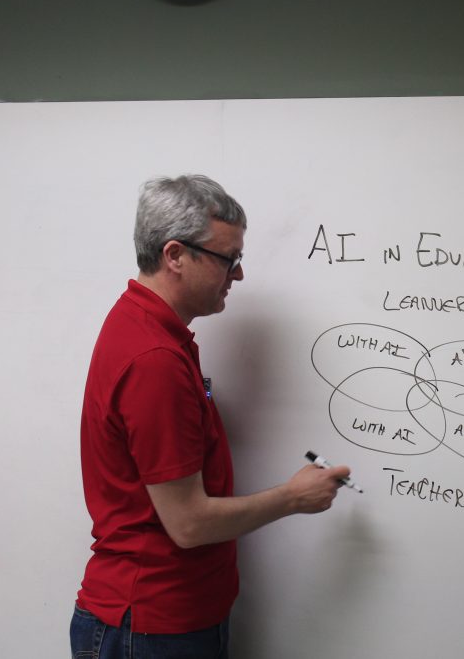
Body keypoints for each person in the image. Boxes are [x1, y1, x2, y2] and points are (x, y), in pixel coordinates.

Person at [71, 175, 351, 658]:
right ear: (175, 256)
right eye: (229, 259)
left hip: (166, 620)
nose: (237, 275)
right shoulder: (154, 358)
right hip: (152, 627)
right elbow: (189, 524)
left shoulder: (148, 329)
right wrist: (293, 497)